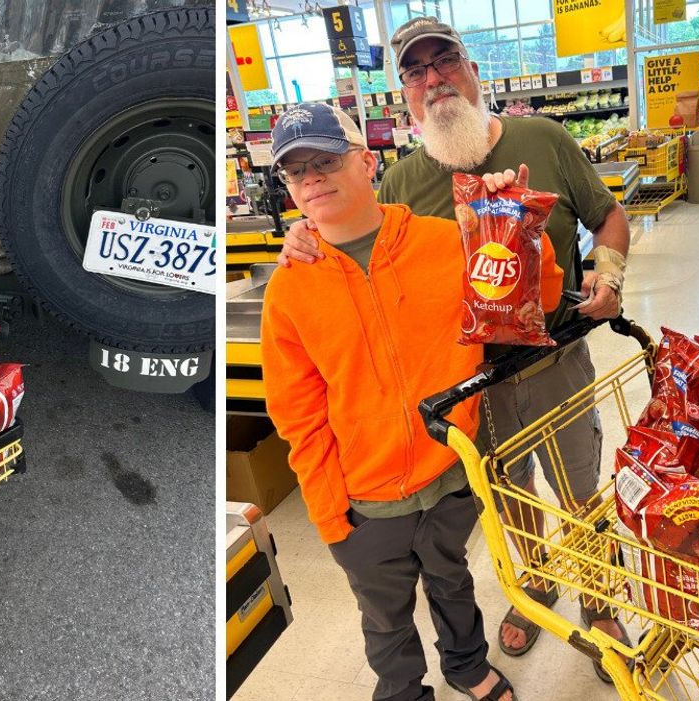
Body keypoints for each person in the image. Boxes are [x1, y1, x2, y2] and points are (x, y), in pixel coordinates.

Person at [275, 15, 634, 680]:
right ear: (404, 94)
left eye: (444, 62)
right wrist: (299, 237)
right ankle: (535, 588)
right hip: (469, 390)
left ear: (472, 72)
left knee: (581, 488)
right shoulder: (401, 181)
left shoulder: (543, 138)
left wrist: (606, 273)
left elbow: (607, 213)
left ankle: (601, 598)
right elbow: (354, 241)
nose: (432, 78)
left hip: (553, 361)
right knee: (508, 498)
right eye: (414, 71)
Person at [261, 100, 565, 701]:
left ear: (367, 162)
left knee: (453, 583)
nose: (313, 178)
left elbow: (541, 296)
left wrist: (511, 223)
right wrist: (329, 515)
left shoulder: (445, 242)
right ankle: (402, 690)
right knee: (384, 616)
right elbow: (297, 414)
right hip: (364, 500)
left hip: (451, 474)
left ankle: (467, 667)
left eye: (326, 160)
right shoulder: (290, 289)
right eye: (297, 171)